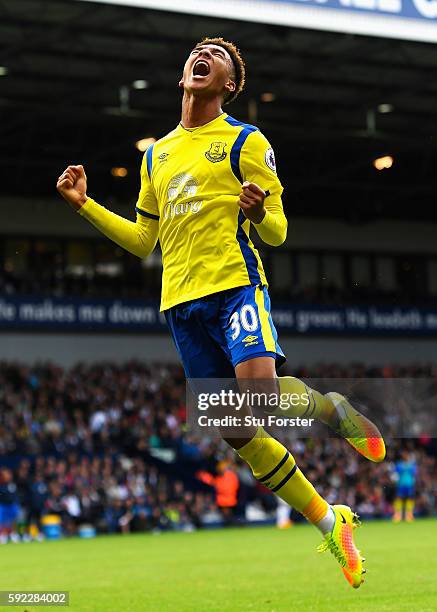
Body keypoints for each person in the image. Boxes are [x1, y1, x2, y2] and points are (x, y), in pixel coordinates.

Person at [57, 37, 386, 587]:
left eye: (217, 57)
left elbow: (279, 231)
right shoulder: (156, 155)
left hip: (235, 286)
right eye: (196, 52)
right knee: (236, 431)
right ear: (185, 73)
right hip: (180, 307)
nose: (201, 56)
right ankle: (330, 521)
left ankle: (334, 410)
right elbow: (143, 241)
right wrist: (85, 205)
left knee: (257, 396)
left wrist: (259, 214)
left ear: (229, 85)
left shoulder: (245, 142)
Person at [393, 450, 417, 523]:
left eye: (406, 455)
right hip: (401, 484)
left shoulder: (412, 465)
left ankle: (409, 515)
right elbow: (395, 474)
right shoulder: (399, 465)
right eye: (404, 455)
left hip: (409, 485)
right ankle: (397, 515)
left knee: (410, 499)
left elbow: (414, 474)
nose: (405, 456)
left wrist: (414, 482)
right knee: (399, 498)